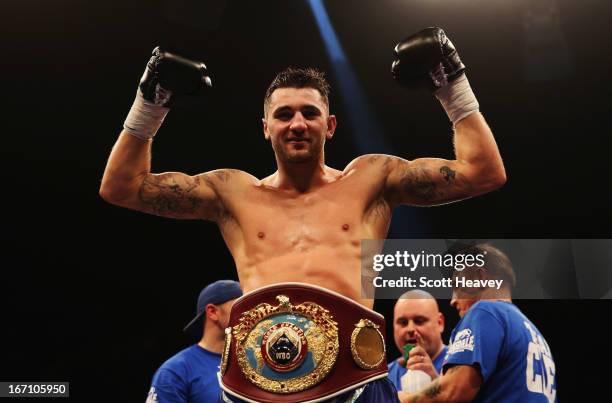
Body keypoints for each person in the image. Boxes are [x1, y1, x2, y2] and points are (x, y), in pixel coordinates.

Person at [101, 27, 505, 402]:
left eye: (309, 114)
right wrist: (150, 103)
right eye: (284, 114)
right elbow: (121, 188)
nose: (297, 124)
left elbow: (484, 173)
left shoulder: (371, 181)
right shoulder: (233, 193)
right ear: (265, 127)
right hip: (258, 387)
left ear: (329, 126)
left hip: (357, 383)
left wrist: (450, 83)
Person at [398, 244, 557, 403]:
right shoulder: (532, 333)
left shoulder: (485, 311)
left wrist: (402, 399)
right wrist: (436, 379)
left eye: (457, 285)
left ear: (480, 277)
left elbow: (454, 392)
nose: (453, 301)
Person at [145, 280, 242, 403]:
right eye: (240, 305)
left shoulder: (254, 361)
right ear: (212, 312)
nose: (249, 312)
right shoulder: (176, 370)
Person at [388, 290, 448, 392]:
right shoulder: (385, 377)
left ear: (439, 323)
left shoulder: (461, 363)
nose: (410, 329)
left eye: (419, 321)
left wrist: (435, 382)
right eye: (403, 322)